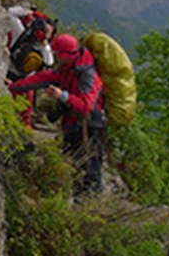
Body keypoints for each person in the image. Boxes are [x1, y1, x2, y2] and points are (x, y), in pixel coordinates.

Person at [9, 34, 106, 196]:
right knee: (72, 163)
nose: (57, 58)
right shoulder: (68, 68)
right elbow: (43, 78)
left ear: (65, 54)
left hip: (90, 125)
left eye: (58, 54)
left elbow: (86, 106)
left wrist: (62, 96)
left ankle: (90, 202)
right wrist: (15, 86)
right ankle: (76, 199)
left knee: (90, 168)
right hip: (74, 124)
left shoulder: (88, 74)